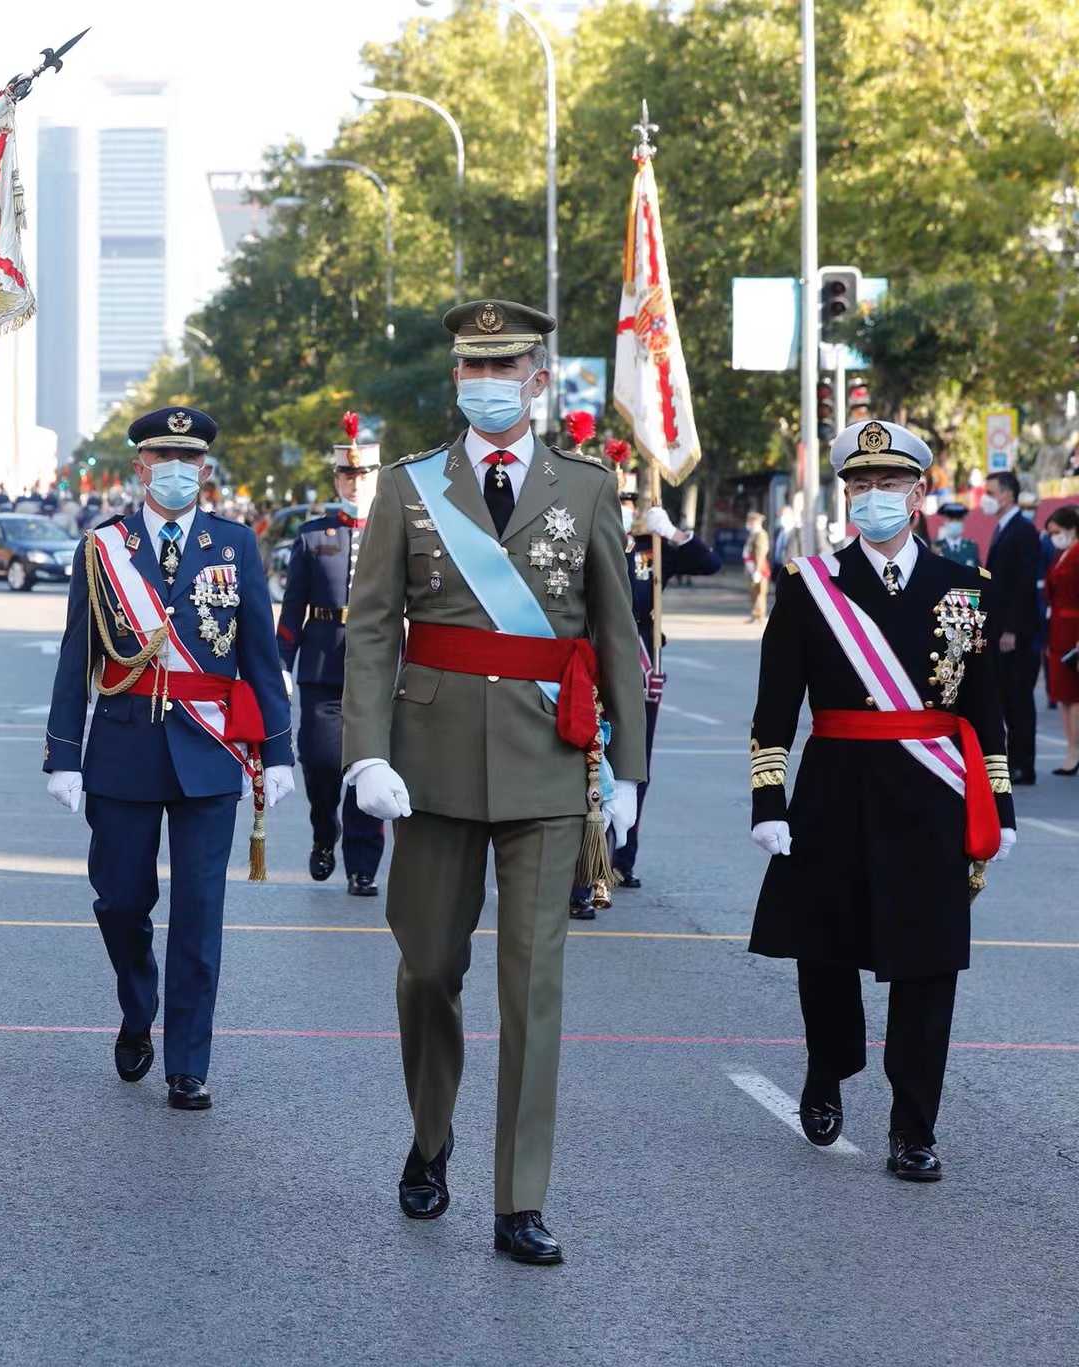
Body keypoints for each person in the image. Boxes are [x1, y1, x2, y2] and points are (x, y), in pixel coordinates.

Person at [340, 299, 646, 1264]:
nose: (486, 381)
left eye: (504, 367)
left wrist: (629, 769)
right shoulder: (407, 487)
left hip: (547, 767)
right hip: (427, 766)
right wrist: (367, 752)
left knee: (532, 987)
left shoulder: (587, 489)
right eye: (472, 367)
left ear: (538, 381)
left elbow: (616, 634)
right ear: (457, 380)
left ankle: (520, 1197)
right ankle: (431, 1137)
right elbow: (372, 625)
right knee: (429, 966)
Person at [748, 419, 1016, 1182]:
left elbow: (985, 708)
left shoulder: (965, 591)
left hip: (932, 793)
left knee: (928, 963)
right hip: (834, 790)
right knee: (825, 948)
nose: (874, 498)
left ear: (920, 492)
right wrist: (769, 800)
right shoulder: (811, 588)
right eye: (860, 486)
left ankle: (913, 1125)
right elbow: (775, 708)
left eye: (889, 485)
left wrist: (1001, 804)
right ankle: (828, 1067)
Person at [43, 405, 294, 1111]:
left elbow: (261, 658)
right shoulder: (103, 548)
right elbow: (77, 656)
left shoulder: (235, 544)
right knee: (121, 900)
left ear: (205, 471)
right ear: (141, 467)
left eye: (190, 460)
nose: (177, 470)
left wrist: (277, 752)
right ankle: (136, 1001)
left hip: (210, 748)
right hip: (123, 743)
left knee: (201, 911)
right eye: (163, 457)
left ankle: (189, 1060)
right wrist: (64, 753)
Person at [276, 412, 385, 896]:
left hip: (378, 669)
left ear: (376, 477)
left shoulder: (397, 531)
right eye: (347, 474)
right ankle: (325, 831)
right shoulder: (312, 534)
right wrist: (280, 662)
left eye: (363, 475)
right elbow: (292, 607)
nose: (355, 482)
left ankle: (363, 864)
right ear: (337, 479)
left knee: (370, 765)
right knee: (320, 762)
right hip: (322, 665)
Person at [601, 481, 723, 900]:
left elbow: (709, 564)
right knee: (591, 763)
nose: (624, 509)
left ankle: (622, 858)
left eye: (629, 502)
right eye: (617, 501)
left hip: (640, 662)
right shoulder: (587, 538)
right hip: (594, 659)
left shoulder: (650, 546)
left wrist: (672, 533)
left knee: (636, 763)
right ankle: (587, 860)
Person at [982, 471, 1040, 785]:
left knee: (1018, 700)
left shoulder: (1023, 531)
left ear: (1007, 495)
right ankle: (1011, 762)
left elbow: (1024, 586)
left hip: (1014, 636)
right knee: (1004, 698)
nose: (985, 498)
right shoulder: (1005, 529)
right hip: (999, 630)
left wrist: (1012, 630)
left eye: (989, 492)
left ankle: (1023, 765)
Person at [1042, 505, 1079, 775]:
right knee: (1065, 697)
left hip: (1073, 631)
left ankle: (1073, 752)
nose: (1054, 537)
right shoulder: (1061, 555)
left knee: (1074, 696)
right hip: (1058, 630)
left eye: (1056, 532)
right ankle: (1071, 749)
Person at [931, 503, 980, 569]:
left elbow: (978, 573)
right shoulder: (935, 547)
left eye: (958, 520)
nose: (954, 523)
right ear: (945, 522)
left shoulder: (971, 547)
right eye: (951, 520)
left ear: (963, 523)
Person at [742, 510, 771, 622]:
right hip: (751, 566)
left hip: (758, 567)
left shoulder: (761, 534)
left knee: (760, 592)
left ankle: (760, 615)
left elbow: (761, 553)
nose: (749, 523)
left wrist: (758, 570)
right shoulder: (753, 533)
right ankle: (755, 614)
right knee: (753, 592)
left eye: (751, 521)